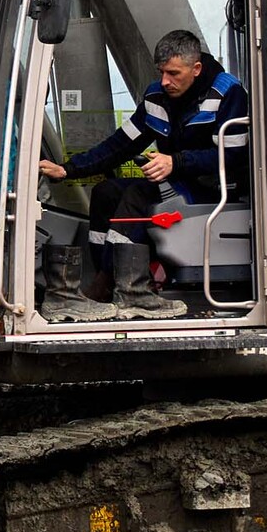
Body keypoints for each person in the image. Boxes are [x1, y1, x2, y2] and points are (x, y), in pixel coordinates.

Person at [39, 29, 249, 319]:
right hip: (174, 181)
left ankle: (123, 289)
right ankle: (108, 276)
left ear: (196, 68)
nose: (165, 81)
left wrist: (176, 162)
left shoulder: (228, 93)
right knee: (107, 191)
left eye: (174, 73)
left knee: (138, 194)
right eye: (161, 72)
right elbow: (120, 145)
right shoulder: (156, 97)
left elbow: (236, 155)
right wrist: (68, 169)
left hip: (215, 188)